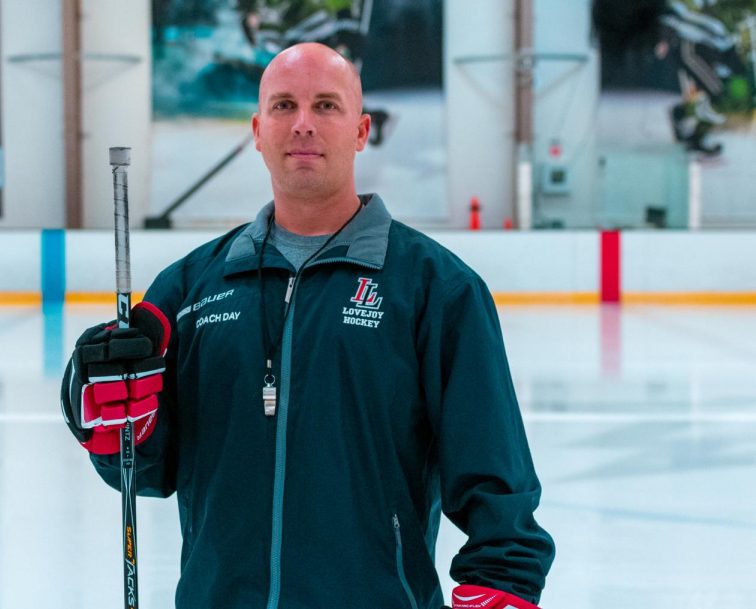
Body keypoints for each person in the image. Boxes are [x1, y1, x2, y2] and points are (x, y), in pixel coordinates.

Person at [62, 42, 555, 609]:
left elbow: (495, 475)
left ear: (362, 130)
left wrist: (503, 586)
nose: (302, 124)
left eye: (325, 105)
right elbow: (146, 471)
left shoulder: (436, 289)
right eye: (283, 107)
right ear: (257, 130)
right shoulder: (190, 289)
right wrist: (112, 416)